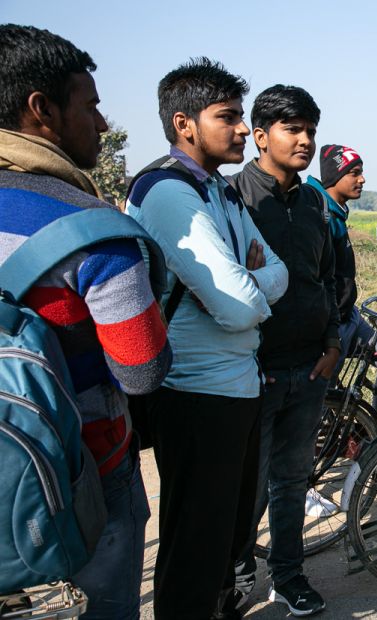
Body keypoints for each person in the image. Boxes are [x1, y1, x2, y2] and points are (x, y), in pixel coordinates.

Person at [0, 24, 171, 620]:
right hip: (83, 474)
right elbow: (142, 370)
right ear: (41, 109)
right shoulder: (92, 230)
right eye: (91, 104)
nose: (101, 124)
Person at [127, 58, 288, 620]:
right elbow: (239, 306)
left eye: (242, 116)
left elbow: (278, 272)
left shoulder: (217, 190)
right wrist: (250, 284)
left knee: (226, 543)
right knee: (194, 548)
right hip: (194, 395)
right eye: (229, 117)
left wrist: (252, 280)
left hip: (238, 387)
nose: (243, 129)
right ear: (184, 123)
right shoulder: (169, 193)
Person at [228, 85, 338, 616]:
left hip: (310, 369)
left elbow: (329, 277)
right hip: (256, 372)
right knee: (246, 487)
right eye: (293, 129)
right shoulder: (234, 198)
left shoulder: (315, 200)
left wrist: (334, 341)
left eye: (310, 130)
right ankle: (236, 573)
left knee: (293, 482)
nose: (305, 140)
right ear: (259, 135)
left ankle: (289, 577)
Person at [305, 146, 377, 417]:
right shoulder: (319, 214)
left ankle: (375, 433)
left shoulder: (336, 212)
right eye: (355, 173)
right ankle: (326, 448)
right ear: (335, 176)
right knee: (324, 393)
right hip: (332, 321)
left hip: (350, 315)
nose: (362, 179)